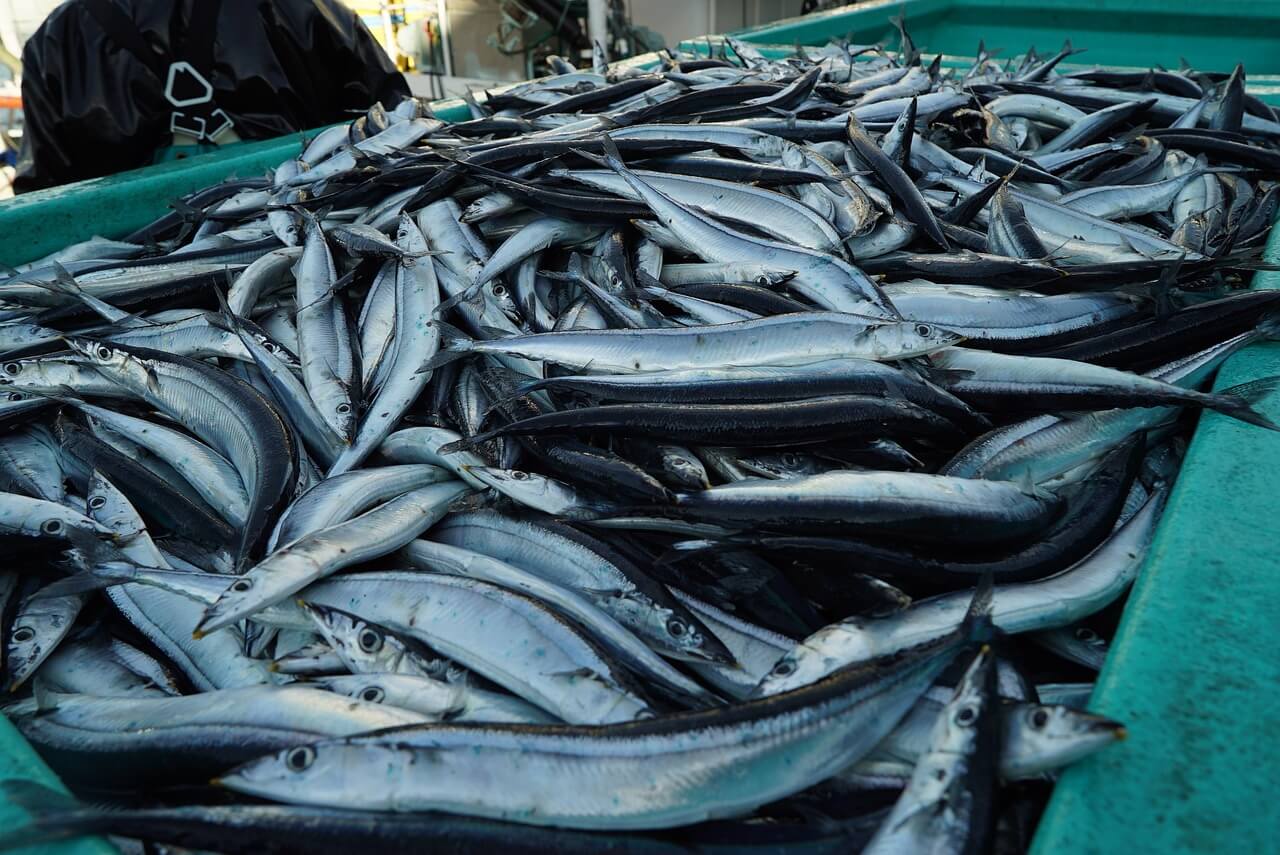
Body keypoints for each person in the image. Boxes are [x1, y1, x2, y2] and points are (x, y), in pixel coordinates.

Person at [14, 0, 409, 193]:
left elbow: (44, 194)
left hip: (138, 287)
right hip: (311, 237)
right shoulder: (303, 6)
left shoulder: (54, 43)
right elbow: (394, 126)